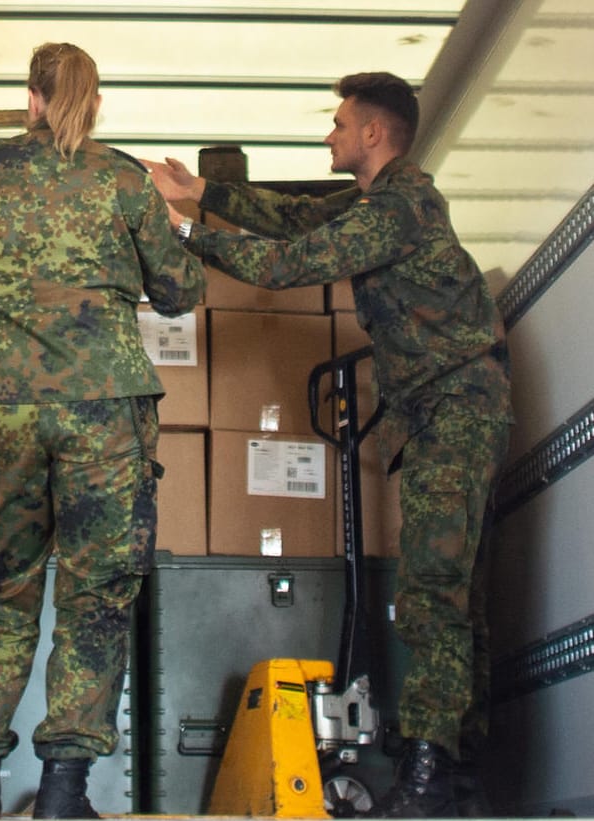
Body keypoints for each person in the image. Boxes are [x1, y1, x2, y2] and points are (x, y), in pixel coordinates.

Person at [147, 72, 512, 818]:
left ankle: (427, 777)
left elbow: (289, 266)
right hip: (445, 407)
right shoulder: (377, 202)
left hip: (457, 406)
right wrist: (200, 191)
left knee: (431, 595)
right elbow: (293, 219)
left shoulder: (401, 208)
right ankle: (459, 772)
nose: (328, 135)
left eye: (340, 125)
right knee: (456, 595)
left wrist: (181, 229)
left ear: (374, 133)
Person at [0, 42, 205, 820]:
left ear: (28, 97)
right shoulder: (123, 178)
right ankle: (61, 799)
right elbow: (179, 290)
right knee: (94, 597)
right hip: (104, 411)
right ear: (93, 106)